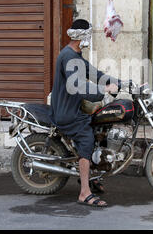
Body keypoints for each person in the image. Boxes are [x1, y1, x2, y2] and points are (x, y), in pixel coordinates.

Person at [49, 19, 119, 207]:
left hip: (74, 107)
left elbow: (96, 74)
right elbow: (77, 86)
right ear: (82, 37)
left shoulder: (75, 55)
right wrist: (103, 91)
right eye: (88, 34)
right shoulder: (69, 57)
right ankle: (84, 192)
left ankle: (90, 175)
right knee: (87, 139)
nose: (90, 38)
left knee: (102, 127)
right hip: (67, 112)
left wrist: (123, 83)